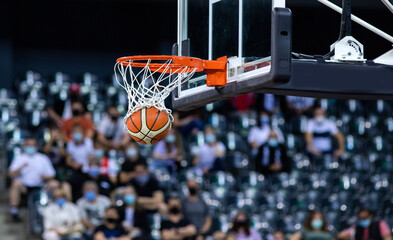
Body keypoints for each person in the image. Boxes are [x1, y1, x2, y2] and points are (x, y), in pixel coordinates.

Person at [8, 138, 56, 221]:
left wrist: (45, 177)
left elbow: (52, 175)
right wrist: (21, 168)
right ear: (25, 147)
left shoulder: (43, 158)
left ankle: (55, 210)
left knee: (54, 184)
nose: (31, 147)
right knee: (15, 184)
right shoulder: (20, 158)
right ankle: (14, 212)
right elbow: (10, 174)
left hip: (41, 185)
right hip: (25, 187)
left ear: (36, 146)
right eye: (28, 145)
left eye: (32, 145)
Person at [65, 124, 94, 201]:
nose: (77, 134)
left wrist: (84, 164)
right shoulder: (70, 144)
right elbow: (69, 160)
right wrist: (73, 164)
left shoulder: (88, 142)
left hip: (87, 171)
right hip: (76, 171)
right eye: (75, 132)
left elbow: (91, 158)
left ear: (83, 133)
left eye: (79, 132)